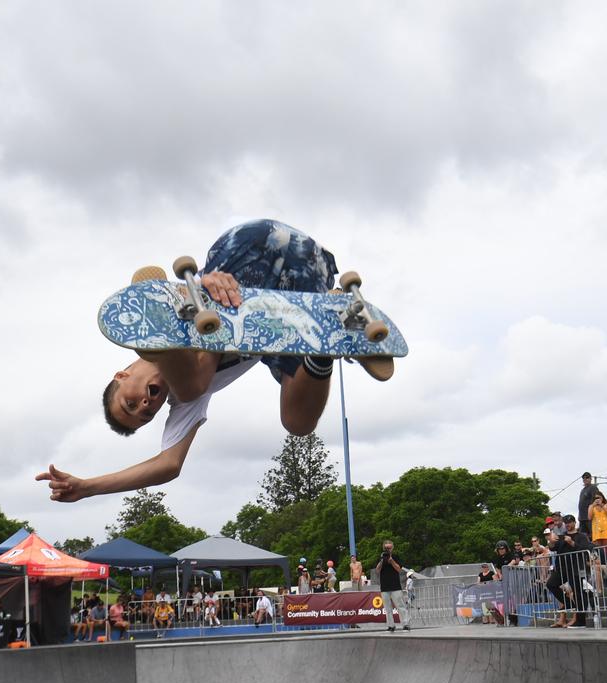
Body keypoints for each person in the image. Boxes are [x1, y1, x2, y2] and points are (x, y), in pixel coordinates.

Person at [39, 219, 385, 503]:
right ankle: (327, 334)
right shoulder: (185, 395)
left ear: (123, 373)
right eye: (146, 413)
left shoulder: (187, 384)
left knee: (191, 385)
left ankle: (173, 313)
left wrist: (205, 282)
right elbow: (169, 465)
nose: (145, 404)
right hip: (306, 282)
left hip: (247, 255)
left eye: (131, 402)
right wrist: (87, 488)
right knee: (298, 423)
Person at [546, 516, 593, 628]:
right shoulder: (561, 536)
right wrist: (551, 542)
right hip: (562, 568)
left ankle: (581, 621)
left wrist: (572, 542)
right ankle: (569, 604)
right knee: (551, 584)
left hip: (576, 567)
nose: (567, 524)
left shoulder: (581, 536)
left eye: (570, 522)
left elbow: (585, 550)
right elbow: (553, 548)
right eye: (566, 522)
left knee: (578, 592)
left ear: (574, 522)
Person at [375, 540, 409, 631]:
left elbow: (398, 569)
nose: (388, 549)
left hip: (395, 586)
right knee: (387, 608)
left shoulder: (396, 556)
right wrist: (382, 561)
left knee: (400, 606)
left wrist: (392, 561)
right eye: (386, 548)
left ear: (392, 548)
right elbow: (377, 570)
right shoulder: (381, 556)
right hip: (385, 587)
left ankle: (405, 624)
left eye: (389, 548)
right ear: (384, 548)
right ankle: (391, 625)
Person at [577, 472, 598, 536]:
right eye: (583, 478)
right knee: (583, 537)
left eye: (587, 477)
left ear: (591, 478)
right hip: (582, 518)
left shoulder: (593, 487)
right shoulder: (582, 490)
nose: (585, 479)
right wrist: (579, 515)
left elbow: (596, 500)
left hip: (590, 517)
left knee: (593, 535)